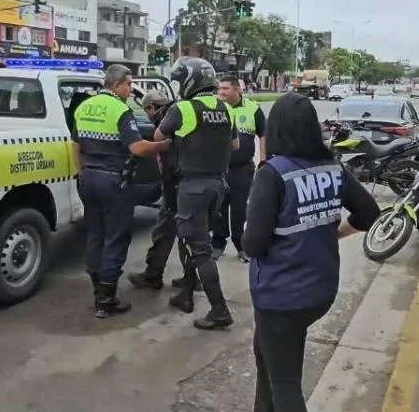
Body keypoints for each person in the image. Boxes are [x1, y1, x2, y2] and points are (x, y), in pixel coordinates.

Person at [243, 92, 380, 412]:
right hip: (319, 290)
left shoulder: (273, 172)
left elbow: (253, 244)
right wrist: (333, 232)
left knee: (284, 383)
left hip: (280, 295)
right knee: (268, 358)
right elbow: (369, 213)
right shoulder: (332, 168)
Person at [72, 65, 170, 319]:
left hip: (88, 179)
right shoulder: (120, 110)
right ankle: (107, 300)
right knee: (116, 237)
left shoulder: (84, 106)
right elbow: (137, 148)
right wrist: (163, 145)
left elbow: (75, 143)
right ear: (115, 85)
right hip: (114, 182)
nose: (130, 89)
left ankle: (97, 289)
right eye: (128, 84)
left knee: (95, 234)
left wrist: (80, 171)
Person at [155, 57, 238, 330]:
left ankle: (219, 309)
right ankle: (186, 294)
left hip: (193, 187)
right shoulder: (227, 109)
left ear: (191, 80)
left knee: (199, 248)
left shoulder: (183, 109)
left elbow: (158, 137)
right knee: (191, 239)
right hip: (218, 185)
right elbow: (235, 144)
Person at [127, 90, 180, 290]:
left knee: (164, 230)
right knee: (192, 235)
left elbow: (166, 147)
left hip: (175, 183)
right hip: (188, 182)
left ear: (151, 107)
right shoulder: (179, 111)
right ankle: (192, 279)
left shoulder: (167, 117)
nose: (148, 117)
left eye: (146, 111)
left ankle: (153, 275)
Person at [212, 75, 266, 263]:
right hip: (219, 169)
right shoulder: (214, 108)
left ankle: (240, 245)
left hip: (243, 170)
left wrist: (264, 162)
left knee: (239, 210)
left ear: (237, 90)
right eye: (219, 89)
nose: (221, 93)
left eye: (225, 89)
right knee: (218, 208)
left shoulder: (253, 109)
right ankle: (217, 244)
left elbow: (263, 135)